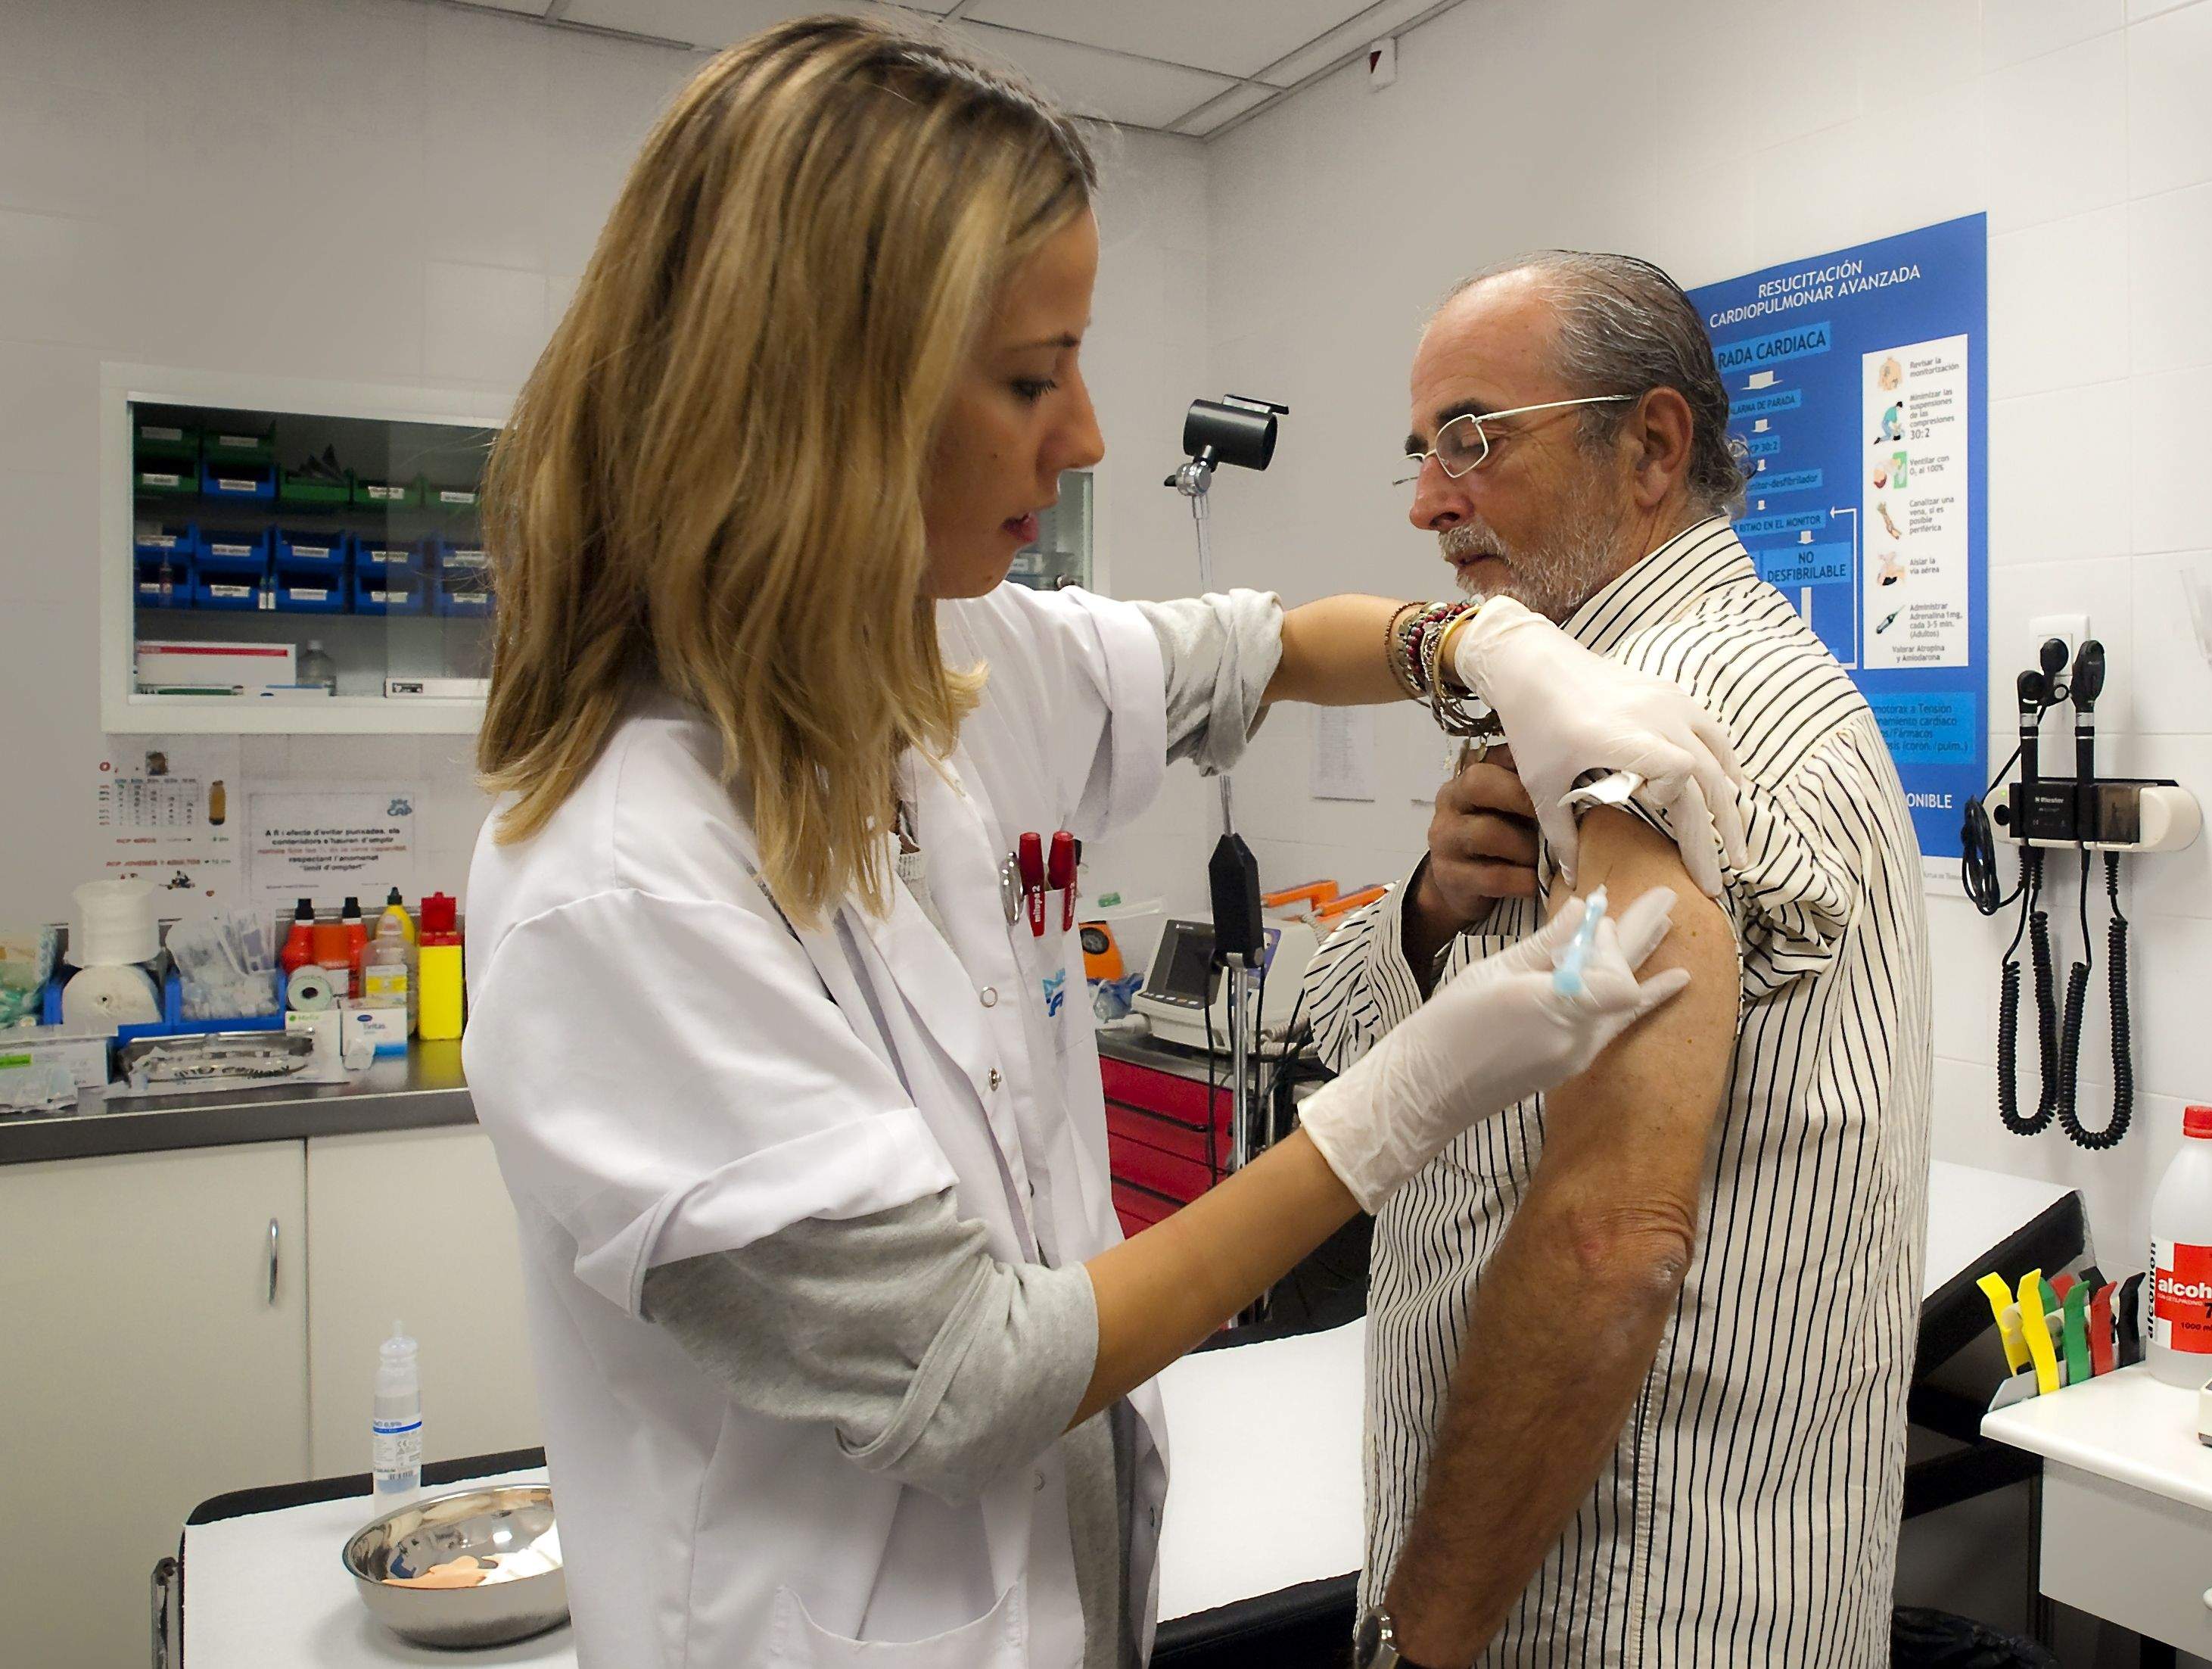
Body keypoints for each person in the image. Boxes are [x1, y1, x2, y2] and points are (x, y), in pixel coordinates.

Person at [458, 23, 1742, 1669]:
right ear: (819, 402)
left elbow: (1260, 647)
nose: (1085, 436)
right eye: (1026, 374)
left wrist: (1481, 657)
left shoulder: (943, 666)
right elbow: (973, 1371)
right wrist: (1402, 1099)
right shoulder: (616, 882)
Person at [1303, 251, 1933, 1669]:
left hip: (1622, 1605)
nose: (1426, 500)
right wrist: (1421, 912)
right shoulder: (1557, 707)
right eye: (1419, 452)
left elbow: (1608, 1244)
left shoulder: (1679, 717)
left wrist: (1428, 1637)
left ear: (1649, 446)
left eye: (1472, 438)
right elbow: (1361, 1044)